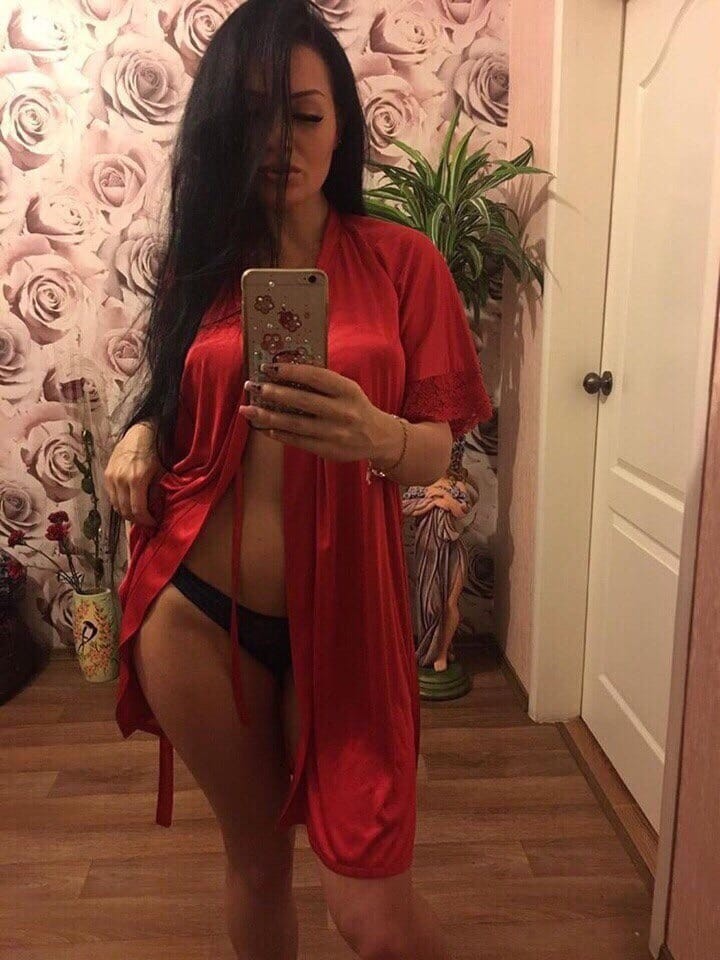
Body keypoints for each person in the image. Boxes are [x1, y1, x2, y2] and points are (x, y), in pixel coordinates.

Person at [103, 1, 493, 957]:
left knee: (374, 917)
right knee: (256, 862)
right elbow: (172, 397)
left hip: (351, 617)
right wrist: (140, 434)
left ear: (341, 124)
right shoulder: (202, 266)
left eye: (306, 114)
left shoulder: (404, 263)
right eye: (253, 117)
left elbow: (439, 449)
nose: (281, 141)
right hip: (199, 613)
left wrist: (376, 434)